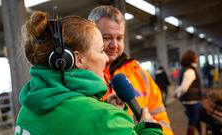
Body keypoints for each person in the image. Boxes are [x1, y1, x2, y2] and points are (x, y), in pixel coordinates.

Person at [15, 11, 163, 135]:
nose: (106, 57)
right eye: (101, 50)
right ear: (78, 59)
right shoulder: (103, 118)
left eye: (119, 38)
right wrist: (150, 130)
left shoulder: (26, 109)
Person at [88, 5, 173, 135]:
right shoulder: (81, 76)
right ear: (91, 36)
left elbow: (161, 119)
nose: (114, 45)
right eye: (106, 38)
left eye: (119, 38)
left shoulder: (140, 73)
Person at [174, 50, 202, 135]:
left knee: (194, 120)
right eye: (195, 57)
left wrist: (177, 93)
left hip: (188, 100)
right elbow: (184, 88)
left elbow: (180, 85)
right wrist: (177, 94)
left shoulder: (184, 69)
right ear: (191, 58)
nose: (197, 59)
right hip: (192, 100)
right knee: (193, 122)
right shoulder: (190, 70)